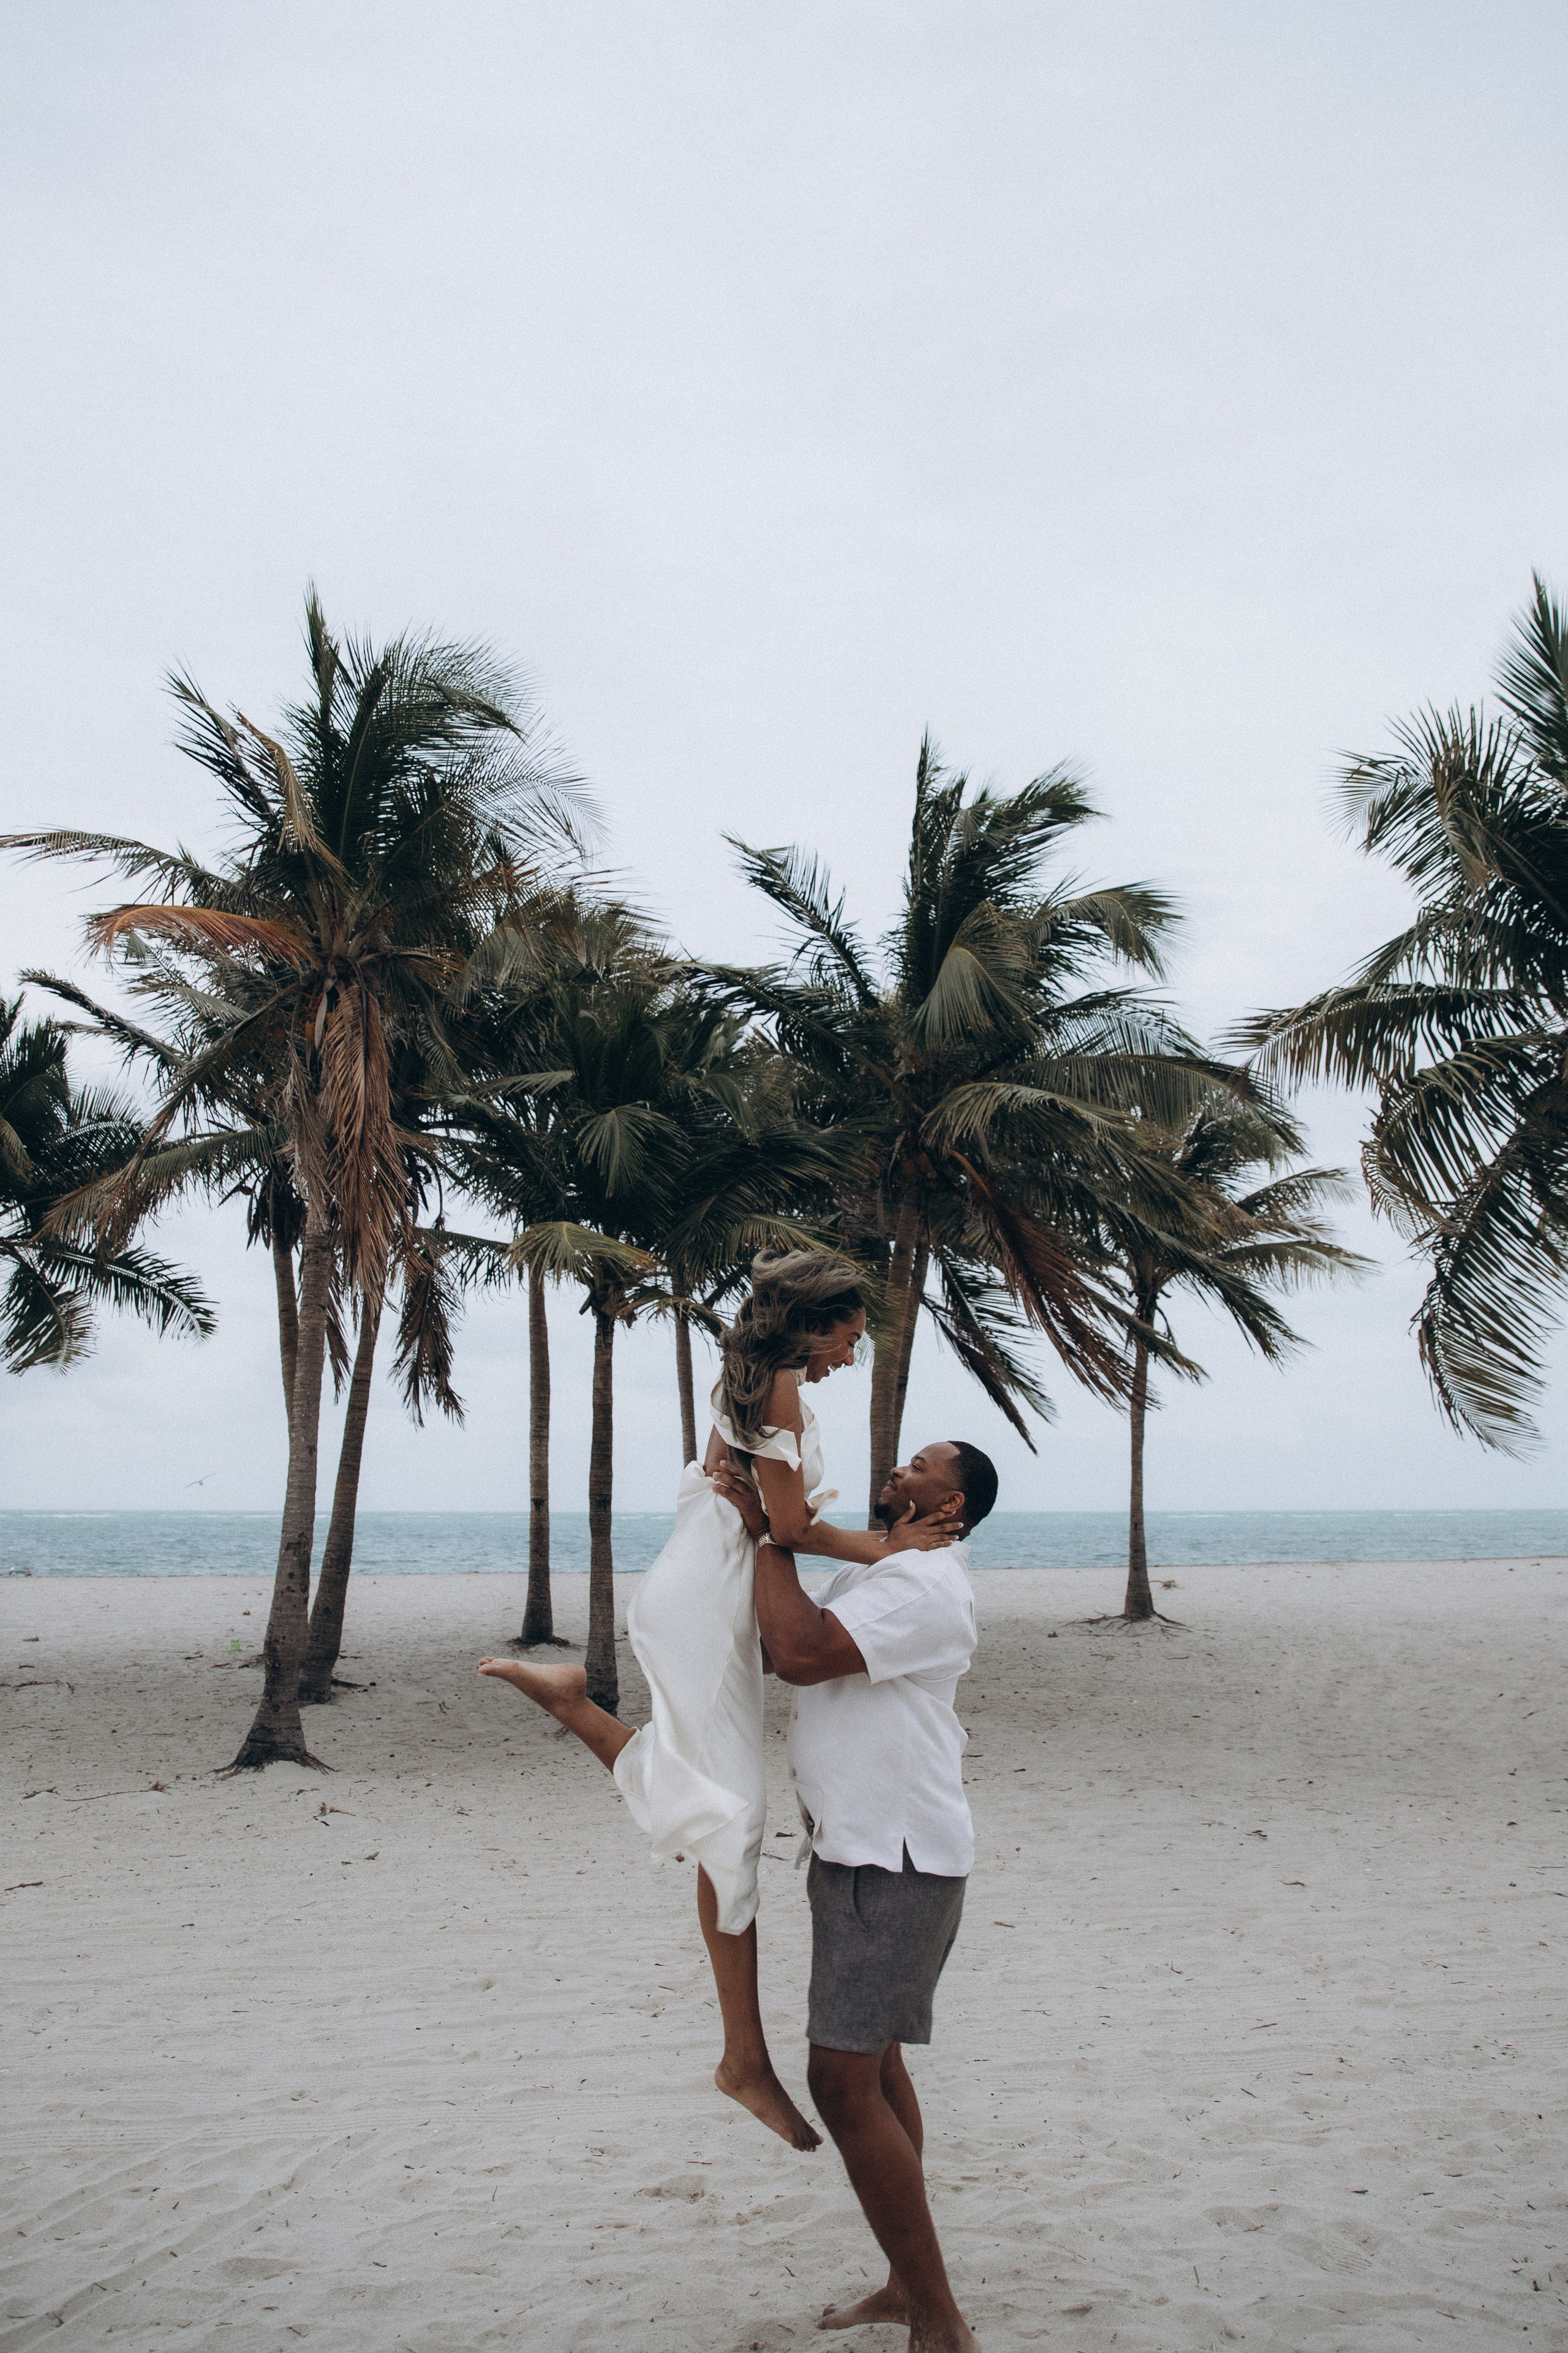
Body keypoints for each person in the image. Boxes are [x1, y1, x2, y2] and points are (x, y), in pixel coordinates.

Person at [477, 1250, 960, 2154]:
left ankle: (572, 1702)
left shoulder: (764, 1385)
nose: (853, 1358)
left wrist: (801, 1528)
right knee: (732, 1826)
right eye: (851, 1338)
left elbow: (762, 1516)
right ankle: (742, 2059)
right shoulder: (775, 1389)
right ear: (816, 1322)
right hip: (704, 1601)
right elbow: (792, 1529)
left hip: (705, 1594)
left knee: (719, 1809)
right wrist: (899, 1552)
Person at [710, 1435, 995, 2353]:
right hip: (860, 1849)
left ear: (952, 1509)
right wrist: (769, 1533)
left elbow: (798, 1653)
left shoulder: (928, 1586)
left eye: (921, 1468)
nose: (898, 1471)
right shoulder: (887, 1574)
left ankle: (939, 2317)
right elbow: (774, 1634)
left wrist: (772, 1536)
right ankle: (908, 2284)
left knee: (841, 2080)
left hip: (896, 1858)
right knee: (876, 2068)